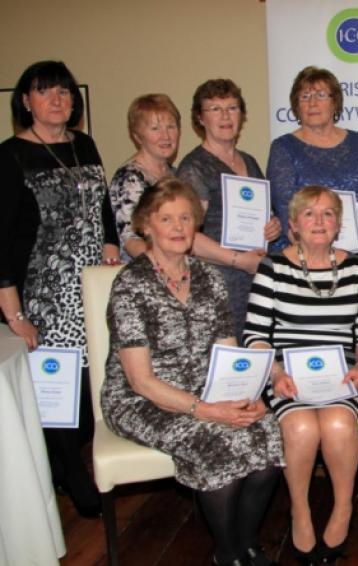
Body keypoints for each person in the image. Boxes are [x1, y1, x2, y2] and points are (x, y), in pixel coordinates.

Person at [102, 178, 282, 566]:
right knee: (219, 450)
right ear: (146, 225)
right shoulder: (130, 284)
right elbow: (140, 380)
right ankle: (227, 553)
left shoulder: (208, 277)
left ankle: (248, 542)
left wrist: (246, 395)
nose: (179, 227)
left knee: (268, 438)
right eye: (167, 219)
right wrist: (206, 410)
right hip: (142, 400)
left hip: (207, 387)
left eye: (186, 218)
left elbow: (227, 350)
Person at [0, 60, 120, 517]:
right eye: (46, 91)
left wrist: (110, 245)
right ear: (26, 101)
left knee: (96, 382)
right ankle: (72, 473)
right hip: (45, 294)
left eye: (66, 92)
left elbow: (104, 207)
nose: (58, 100)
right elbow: (2, 240)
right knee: (62, 390)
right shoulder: (9, 156)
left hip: (92, 288)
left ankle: (68, 462)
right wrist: (15, 315)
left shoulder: (83, 144)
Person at [243, 186, 358, 564]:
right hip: (287, 375)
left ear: (338, 225)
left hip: (341, 376)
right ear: (293, 226)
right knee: (302, 428)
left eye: (328, 214)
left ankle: (341, 510)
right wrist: (274, 373)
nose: (319, 221)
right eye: (309, 214)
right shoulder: (272, 267)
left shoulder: (354, 269)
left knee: (337, 425)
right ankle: (300, 512)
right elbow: (254, 335)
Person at [177, 79, 281, 340]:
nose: (225, 116)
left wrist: (272, 226)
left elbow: (263, 214)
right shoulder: (194, 168)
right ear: (200, 118)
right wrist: (237, 260)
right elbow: (186, 236)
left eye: (232, 108)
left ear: (241, 115)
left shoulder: (249, 161)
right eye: (214, 109)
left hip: (254, 280)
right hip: (217, 283)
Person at [267, 66, 358, 252]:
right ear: (296, 106)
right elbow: (286, 213)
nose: (312, 103)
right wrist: (322, 259)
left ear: (335, 103)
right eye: (305, 97)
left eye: (320, 95)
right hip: (302, 256)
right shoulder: (283, 148)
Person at [109, 93, 181, 261]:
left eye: (171, 127)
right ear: (137, 136)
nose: (166, 136)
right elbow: (130, 239)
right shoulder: (129, 178)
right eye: (155, 129)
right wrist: (166, 265)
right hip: (145, 274)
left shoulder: (176, 174)